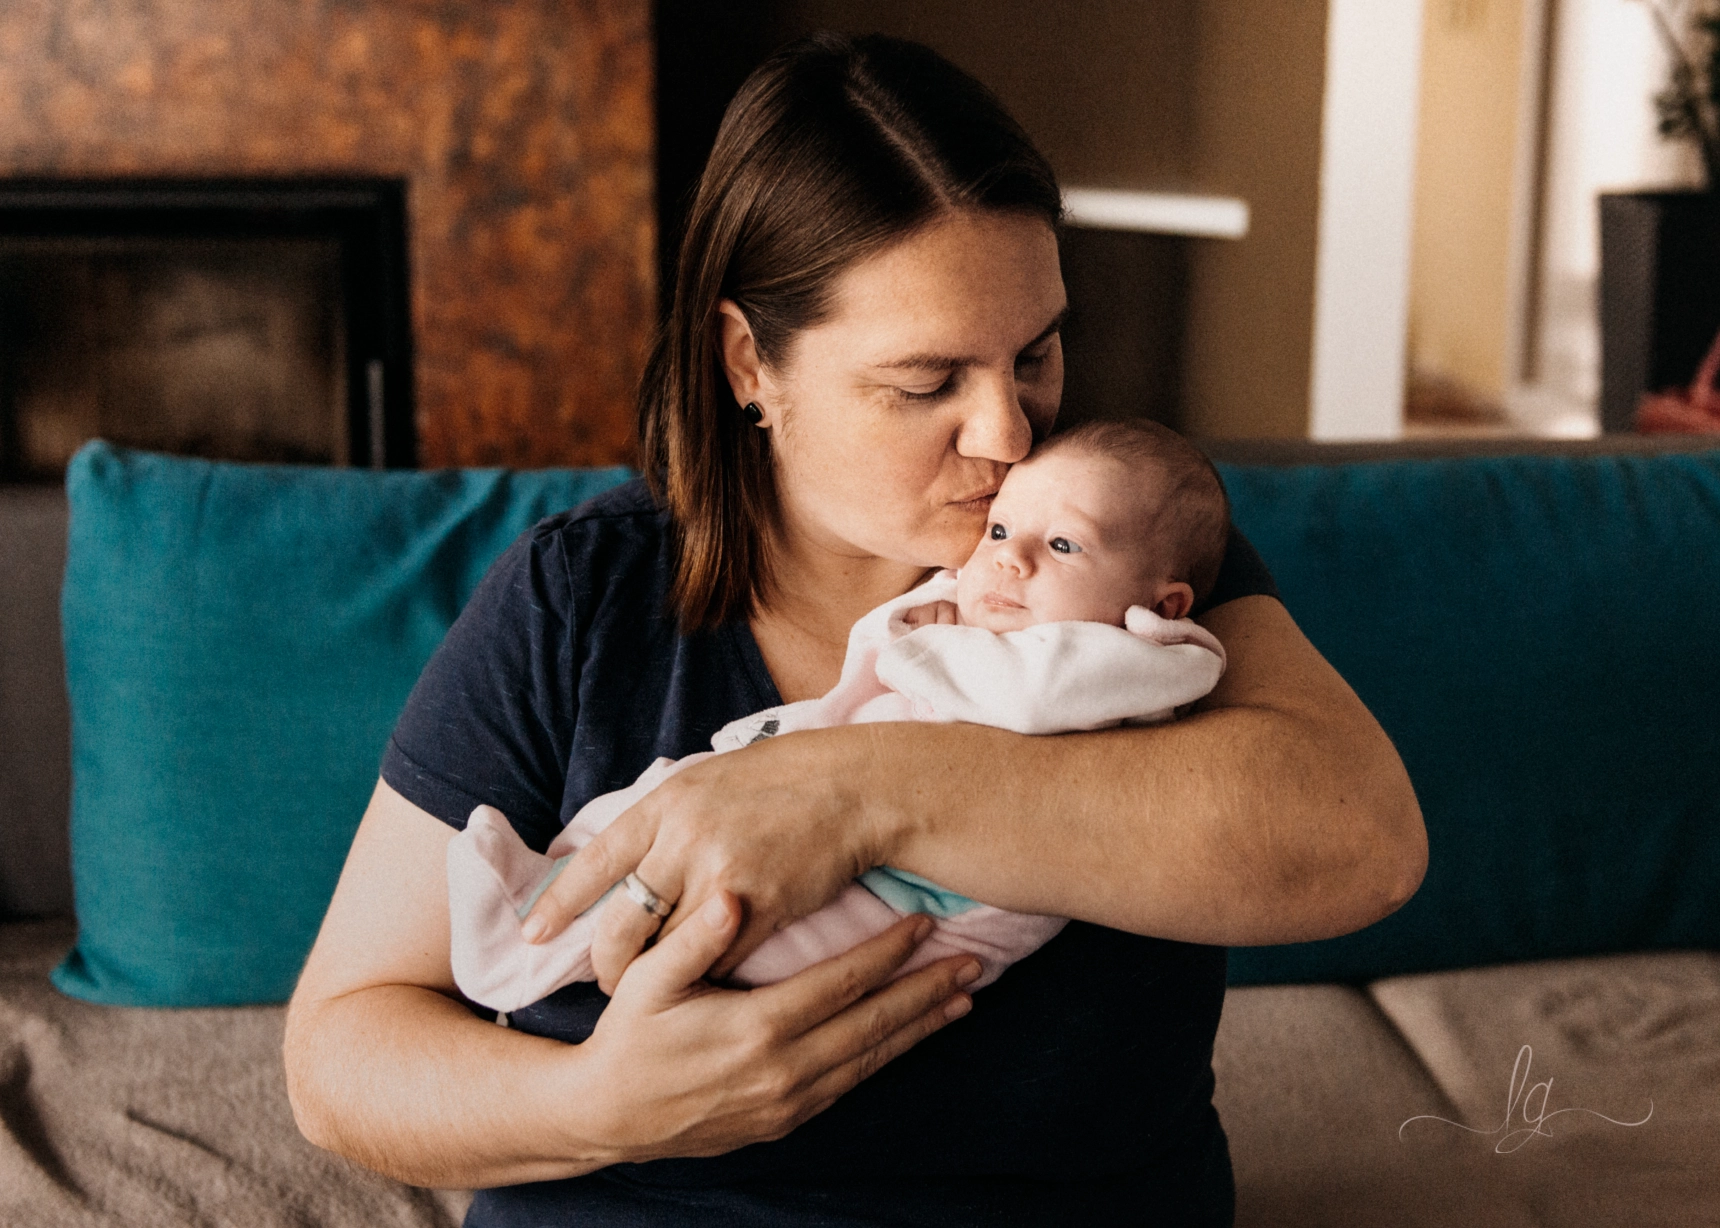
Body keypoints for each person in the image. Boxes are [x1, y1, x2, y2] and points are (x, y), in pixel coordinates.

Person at [284, 32, 1426, 1227]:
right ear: (748, 365)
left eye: (1034, 352)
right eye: (926, 382)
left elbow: (1361, 839)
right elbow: (340, 1054)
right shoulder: (582, 598)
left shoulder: (1110, 561)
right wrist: (594, 1104)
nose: (1009, 435)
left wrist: (854, 790)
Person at [447, 420, 1233, 1012]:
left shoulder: (1133, 655)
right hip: (869, 858)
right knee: (669, 797)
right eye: (1000, 530)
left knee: (721, 910)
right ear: (750, 362)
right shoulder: (576, 575)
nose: (1007, 558)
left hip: (914, 901)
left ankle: (522, 953)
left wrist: (919, 629)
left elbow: (1021, 695)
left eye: (1062, 546)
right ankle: (547, 885)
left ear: (1163, 602)